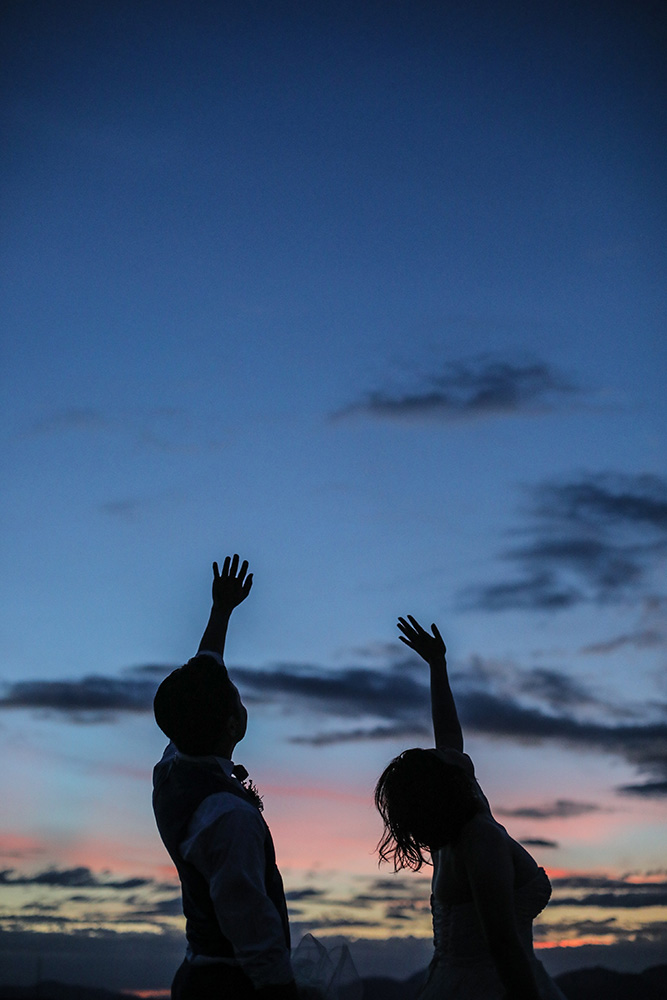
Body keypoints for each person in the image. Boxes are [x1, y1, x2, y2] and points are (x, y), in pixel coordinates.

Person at [375, 616, 567, 1000]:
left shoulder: (451, 827)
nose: (451, 753)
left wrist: (437, 666)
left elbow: (448, 735)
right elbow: (503, 946)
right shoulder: (479, 839)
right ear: (448, 785)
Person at [152, 555, 298, 999]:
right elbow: (251, 923)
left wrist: (221, 610)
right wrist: (282, 991)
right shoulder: (228, 817)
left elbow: (203, 674)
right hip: (230, 987)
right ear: (232, 726)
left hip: (196, 973)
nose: (240, 698)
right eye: (236, 696)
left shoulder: (172, 768)